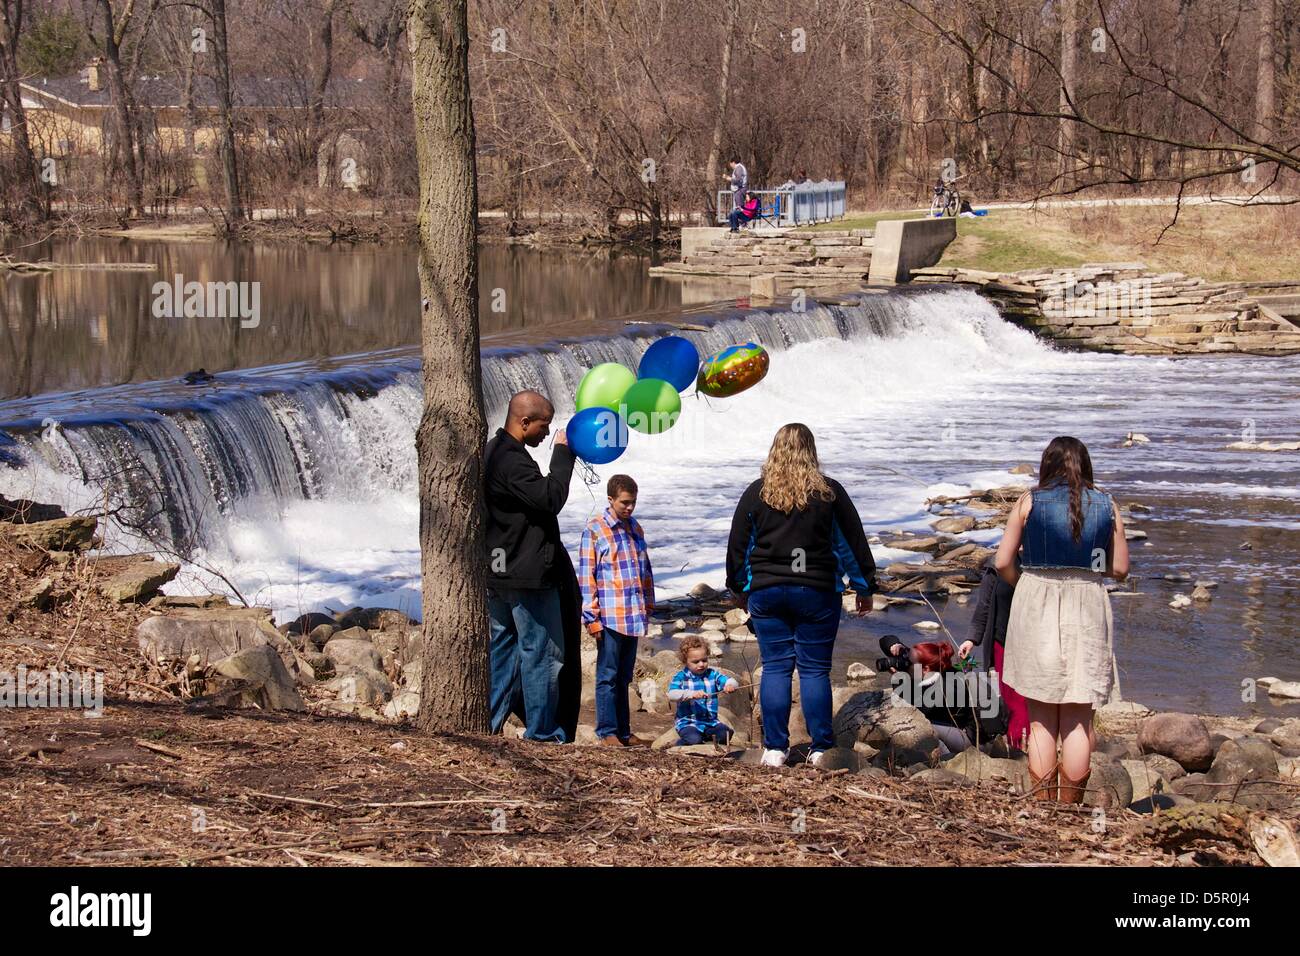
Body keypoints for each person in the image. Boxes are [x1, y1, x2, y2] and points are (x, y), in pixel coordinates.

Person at [726, 423, 877, 768]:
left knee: (776, 667)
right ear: (811, 451)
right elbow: (851, 544)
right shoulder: (829, 494)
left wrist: (738, 588)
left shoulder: (757, 493)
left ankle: (775, 749)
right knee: (814, 671)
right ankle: (821, 747)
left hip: (768, 592)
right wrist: (864, 587)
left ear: (774, 450)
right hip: (817, 592)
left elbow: (739, 546)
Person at [995, 436, 1129, 803]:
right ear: (1085, 466)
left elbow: (1002, 562)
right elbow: (1119, 568)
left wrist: (1024, 583)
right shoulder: (1107, 504)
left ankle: (1042, 807)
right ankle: (1069, 809)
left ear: (1047, 466)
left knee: (1040, 719)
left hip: (1037, 599)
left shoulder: (1028, 502)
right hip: (1086, 603)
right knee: (1077, 718)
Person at [483, 390, 578, 743]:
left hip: (498, 569)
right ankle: (542, 733)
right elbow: (550, 498)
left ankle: (488, 726)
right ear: (524, 422)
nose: (545, 432)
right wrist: (564, 452)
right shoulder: (512, 461)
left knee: (505, 654)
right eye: (543, 425)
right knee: (542, 654)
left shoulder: (492, 453)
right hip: (526, 575)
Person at [578, 473, 655, 748]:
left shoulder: (635, 528)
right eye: (624, 502)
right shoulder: (595, 529)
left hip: (633, 614)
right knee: (607, 675)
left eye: (633, 502)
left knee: (624, 676)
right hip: (610, 615)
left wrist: (648, 603)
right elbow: (587, 576)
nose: (629, 508)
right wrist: (591, 617)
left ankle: (624, 731)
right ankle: (607, 731)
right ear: (610, 499)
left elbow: (644, 570)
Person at [881, 637, 1008, 756]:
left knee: (920, 723)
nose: (904, 663)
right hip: (978, 731)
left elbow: (914, 707)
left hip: (979, 743)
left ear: (925, 669)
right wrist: (896, 645)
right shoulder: (941, 670)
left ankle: (945, 759)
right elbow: (884, 640)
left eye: (908, 662)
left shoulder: (943, 690)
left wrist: (898, 679)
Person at [960, 555, 1030, 752]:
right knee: (1012, 701)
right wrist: (971, 639)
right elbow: (984, 606)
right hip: (1003, 643)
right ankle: (1016, 749)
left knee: (1028, 701)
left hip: (1034, 646)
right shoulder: (996, 566)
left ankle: (1031, 750)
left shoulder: (1042, 562)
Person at [667, 635, 739, 745]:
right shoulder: (681, 677)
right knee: (693, 739)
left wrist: (730, 685)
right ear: (685, 661)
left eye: (704, 660)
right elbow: (672, 695)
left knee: (726, 734)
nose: (701, 664)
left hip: (710, 722)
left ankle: (706, 737)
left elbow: (732, 681)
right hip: (688, 722)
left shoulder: (712, 674)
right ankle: (676, 744)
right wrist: (690, 694)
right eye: (696, 662)